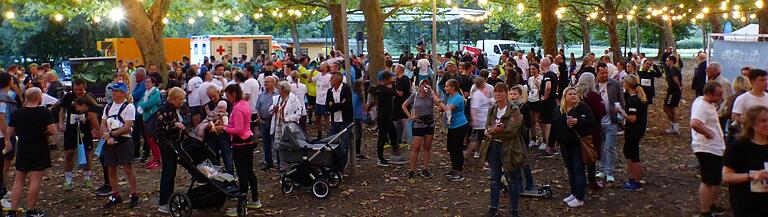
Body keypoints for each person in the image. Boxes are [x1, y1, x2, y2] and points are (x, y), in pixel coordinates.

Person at [5, 88, 56, 217]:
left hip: (23, 147)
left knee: (18, 180)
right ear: (38, 98)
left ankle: (12, 210)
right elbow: (53, 130)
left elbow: (10, 132)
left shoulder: (17, 113)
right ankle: (31, 210)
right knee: (35, 180)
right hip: (39, 147)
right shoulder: (44, 113)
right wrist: (44, 133)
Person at [479, 83, 525, 217]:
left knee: (512, 178)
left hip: (510, 148)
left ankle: (514, 209)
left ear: (506, 93)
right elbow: (487, 127)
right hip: (493, 147)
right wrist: (492, 130)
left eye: (501, 91)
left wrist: (494, 131)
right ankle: (493, 207)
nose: (498, 94)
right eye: (496, 92)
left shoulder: (514, 109)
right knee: (494, 178)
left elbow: (511, 129)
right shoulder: (492, 109)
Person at [218, 84, 262, 216]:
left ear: (233, 94)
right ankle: (255, 199)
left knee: (242, 174)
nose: (227, 99)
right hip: (248, 140)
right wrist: (226, 124)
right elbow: (241, 125)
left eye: (228, 96)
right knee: (249, 171)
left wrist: (224, 129)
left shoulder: (237, 108)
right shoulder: (244, 104)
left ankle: (241, 207)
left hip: (240, 144)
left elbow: (238, 129)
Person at [551, 87, 595, 208]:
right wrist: (551, 143)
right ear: (565, 96)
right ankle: (574, 192)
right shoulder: (559, 109)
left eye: (575, 94)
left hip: (577, 144)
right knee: (570, 169)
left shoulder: (582, 107)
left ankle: (580, 197)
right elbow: (554, 126)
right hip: (564, 145)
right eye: (570, 94)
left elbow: (592, 121)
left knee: (578, 169)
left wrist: (578, 121)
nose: (573, 96)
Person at [689, 82, 728, 217]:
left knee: (715, 179)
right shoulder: (701, 106)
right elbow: (694, 123)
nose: (721, 97)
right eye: (719, 95)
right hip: (706, 148)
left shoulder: (705, 102)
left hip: (715, 148)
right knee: (708, 180)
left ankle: (711, 205)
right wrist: (709, 134)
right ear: (709, 94)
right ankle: (705, 211)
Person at [722, 106, 768, 217]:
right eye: (763, 121)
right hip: (746, 203)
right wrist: (751, 176)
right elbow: (726, 176)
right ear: (752, 124)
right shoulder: (738, 147)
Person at [100, 82, 140, 209]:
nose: (113, 93)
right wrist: (106, 135)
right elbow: (103, 124)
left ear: (123, 93)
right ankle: (115, 195)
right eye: (113, 91)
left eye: (116, 91)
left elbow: (128, 127)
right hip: (109, 142)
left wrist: (111, 134)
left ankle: (134, 194)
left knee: (128, 168)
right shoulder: (107, 107)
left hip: (123, 141)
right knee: (111, 169)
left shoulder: (129, 107)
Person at [56, 79, 100, 191]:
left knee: (87, 153)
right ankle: (68, 180)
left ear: (84, 88)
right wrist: (61, 123)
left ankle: (87, 177)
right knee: (69, 154)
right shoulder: (68, 97)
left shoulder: (90, 97)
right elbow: (62, 110)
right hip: (70, 129)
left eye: (80, 89)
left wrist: (92, 125)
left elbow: (94, 112)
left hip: (85, 129)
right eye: (76, 89)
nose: (78, 92)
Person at [154, 87, 186, 214]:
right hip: (167, 146)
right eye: (180, 99)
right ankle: (163, 202)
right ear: (172, 99)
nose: (182, 101)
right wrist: (174, 126)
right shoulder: (163, 110)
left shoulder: (177, 109)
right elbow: (159, 130)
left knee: (172, 173)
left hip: (176, 145)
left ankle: (169, 198)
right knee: (167, 173)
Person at [402, 79, 439, 178]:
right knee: (416, 147)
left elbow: (438, 102)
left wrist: (432, 92)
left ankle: (425, 169)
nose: (425, 86)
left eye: (427, 84)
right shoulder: (415, 95)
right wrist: (410, 116)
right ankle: (411, 170)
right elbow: (404, 105)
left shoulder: (431, 95)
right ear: (420, 86)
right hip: (418, 124)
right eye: (423, 84)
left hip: (429, 123)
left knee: (427, 147)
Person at [575, 73, 606, 190]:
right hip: (592, 129)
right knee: (591, 155)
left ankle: (580, 179)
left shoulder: (574, 94)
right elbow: (602, 111)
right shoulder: (593, 96)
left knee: (579, 155)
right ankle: (592, 181)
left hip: (576, 129)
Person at [595, 63, 624, 183]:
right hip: (597, 122)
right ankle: (601, 169)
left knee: (610, 147)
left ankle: (609, 171)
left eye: (606, 72)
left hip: (611, 120)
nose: (604, 75)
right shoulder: (594, 86)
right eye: (602, 73)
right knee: (600, 147)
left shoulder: (614, 84)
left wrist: (621, 115)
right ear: (597, 73)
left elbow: (621, 100)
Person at [620, 74, 649, 190]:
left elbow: (632, 118)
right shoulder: (639, 98)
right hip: (637, 129)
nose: (623, 84)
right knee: (628, 152)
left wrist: (621, 112)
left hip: (634, 130)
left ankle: (636, 181)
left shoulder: (633, 100)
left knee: (633, 155)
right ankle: (632, 177)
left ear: (628, 84)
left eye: (624, 83)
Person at [437, 79, 469, 182]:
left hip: (459, 126)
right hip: (452, 125)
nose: (445, 88)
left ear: (453, 87)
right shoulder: (451, 97)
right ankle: (454, 168)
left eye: (447, 86)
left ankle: (459, 171)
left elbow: (448, 109)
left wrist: (437, 100)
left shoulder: (458, 98)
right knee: (451, 147)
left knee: (457, 148)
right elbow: (447, 108)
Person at [271, 81, 305, 171]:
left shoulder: (294, 100)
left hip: (287, 126)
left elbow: (299, 113)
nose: (278, 90)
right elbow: (270, 109)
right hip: (278, 125)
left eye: (279, 88)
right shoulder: (278, 99)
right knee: (278, 146)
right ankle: (281, 165)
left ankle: (287, 165)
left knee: (286, 146)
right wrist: (273, 109)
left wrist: (287, 119)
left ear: (284, 90)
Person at [372, 72, 401, 167]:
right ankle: (381, 158)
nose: (392, 79)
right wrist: (393, 85)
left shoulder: (384, 89)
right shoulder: (382, 89)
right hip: (383, 117)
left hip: (387, 116)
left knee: (392, 135)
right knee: (383, 136)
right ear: (385, 79)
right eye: (390, 78)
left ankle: (394, 154)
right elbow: (395, 93)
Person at [203, 86, 234, 174]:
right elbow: (203, 120)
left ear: (218, 92)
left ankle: (230, 177)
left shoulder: (226, 103)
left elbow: (231, 117)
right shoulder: (207, 106)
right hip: (211, 136)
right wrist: (209, 125)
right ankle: (217, 179)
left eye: (214, 96)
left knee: (227, 157)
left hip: (224, 135)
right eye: (210, 97)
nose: (213, 99)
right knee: (213, 158)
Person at [325, 73, 352, 170]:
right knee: (330, 142)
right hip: (334, 121)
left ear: (337, 80)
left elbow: (346, 105)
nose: (330, 80)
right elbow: (328, 106)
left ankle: (342, 166)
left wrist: (334, 105)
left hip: (345, 121)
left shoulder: (346, 89)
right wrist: (339, 105)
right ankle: (332, 164)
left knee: (344, 145)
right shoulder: (330, 91)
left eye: (332, 78)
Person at [135, 77, 163, 169]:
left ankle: (158, 160)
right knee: (148, 139)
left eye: (148, 82)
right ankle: (154, 158)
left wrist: (142, 107)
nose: (146, 84)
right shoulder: (146, 93)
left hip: (153, 118)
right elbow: (140, 102)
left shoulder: (155, 93)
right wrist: (141, 106)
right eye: (146, 82)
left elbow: (151, 102)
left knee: (153, 139)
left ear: (153, 83)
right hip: (146, 118)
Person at [255, 76, 279, 170]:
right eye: (265, 82)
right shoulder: (261, 95)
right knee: (266, 143)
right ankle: (268, 162)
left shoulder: (278, 95)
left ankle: (276, 161)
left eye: (267, 82)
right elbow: (258, 107)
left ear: (273, 83)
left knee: (275, 142)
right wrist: (259, 118)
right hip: (264, 121)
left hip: (274, 121)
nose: (265, 84)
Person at [467, 77, 493, 159]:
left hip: (484, 118)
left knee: (480, 137)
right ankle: (470, 152)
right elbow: (474, 108)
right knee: (478, 138)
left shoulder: (483, 92)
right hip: (480, 120)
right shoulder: (477, 94)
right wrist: (474, 119)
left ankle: (479, 151)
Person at [540, 61, 559, 156]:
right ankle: (553, 145)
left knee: (548, 125)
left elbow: (548, 86)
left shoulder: (547, 75)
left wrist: (545, 97)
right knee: (551, 124)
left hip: (547, 103)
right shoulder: (554, 74)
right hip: (553, 102)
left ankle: (549, 147)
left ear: (542, 64)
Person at [393, 64, 412, 152]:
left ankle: (406, 139)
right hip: (397, 104)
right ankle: (398, 138)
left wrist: (393, 89)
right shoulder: (398, 79)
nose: (394, 70)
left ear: (400, 70)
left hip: (403, 103)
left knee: (404, 122)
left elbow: (401, 93)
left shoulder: (404, 79)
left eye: (396, 69)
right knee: (399, 121)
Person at [663, 56, 683, 135]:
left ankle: (674, 126)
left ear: (671, 61)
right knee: (672, 108)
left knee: (667, 108)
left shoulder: (672, 70)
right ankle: (675, 127)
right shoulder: (675, 69)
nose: (666, 62)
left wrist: (679, 88)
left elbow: (676, 80)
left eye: (667, 60)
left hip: (673, 92)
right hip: (675, 91)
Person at [312, 62, 332, 139]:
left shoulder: (329, 76)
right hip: (318, 100)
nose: (320, 66)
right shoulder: (319, 75)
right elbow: (310, 80)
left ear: (326, 68)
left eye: (322, 65)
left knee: (327, 118)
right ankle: (319, 135)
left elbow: (330, 88)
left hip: (325, 101)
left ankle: (328, 135)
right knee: (318, 118)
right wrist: (311, 73)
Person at [527, 64, 543, 149]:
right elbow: (529, 89)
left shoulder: (541, 78)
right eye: (530, 69)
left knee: (539, 120)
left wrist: (538, 85)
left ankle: (544, 140)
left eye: (533, 69)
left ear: (537, 69)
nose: (532, 71)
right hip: (531, 100)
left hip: (538, 101)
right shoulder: (530, 79)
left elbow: (542, 90)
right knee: (531, 120)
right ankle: (533, 139)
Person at [351, 80, 367, 159]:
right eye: (362, 86)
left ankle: (358, 151)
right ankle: (356, 152)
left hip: (359, 116)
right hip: (356, 117)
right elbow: (353, 106)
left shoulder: (358, 94)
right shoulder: (356, 95)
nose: (363, 88)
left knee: (359, 134)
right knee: (357, 134)